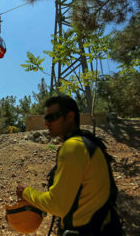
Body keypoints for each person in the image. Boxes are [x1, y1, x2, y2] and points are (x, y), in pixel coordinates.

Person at [16, 96, 123, 236]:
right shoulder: (88, 143)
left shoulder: (73, 147)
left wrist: (26, 192)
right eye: (46, 118)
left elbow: (56, 205)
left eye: (52, 117)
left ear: (70, 116)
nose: (46, 123)